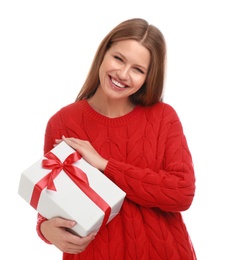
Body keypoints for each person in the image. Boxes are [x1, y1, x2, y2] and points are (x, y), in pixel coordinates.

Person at [36, 18, 197, 260]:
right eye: (119, 58)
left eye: (138, 69)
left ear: (148, 77)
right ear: (104, 53)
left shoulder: (163, 117)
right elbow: (52, 198)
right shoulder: (63, 122)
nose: (123, 74)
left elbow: (182, 192)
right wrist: (44, 229)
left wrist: (104, 165)